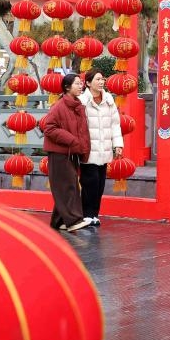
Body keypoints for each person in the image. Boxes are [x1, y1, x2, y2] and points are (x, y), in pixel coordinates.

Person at [42, 73, 93, 232]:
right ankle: (73, 221)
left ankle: (59, 222)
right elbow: (49, 128)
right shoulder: (59, 106)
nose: (81, 86)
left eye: (81, 84)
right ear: (67, 87)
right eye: (77, 84)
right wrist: (71, 140)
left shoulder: (77, 105)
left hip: (71, 152)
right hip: (59, 152)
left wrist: (82, 148)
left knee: (66, 185)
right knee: (69, 185)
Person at [79, 69, 124, 226]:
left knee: (100, 184)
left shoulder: (109, 100)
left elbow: (115, 124)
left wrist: (118, 144)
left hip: (104, 148)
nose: (101, 82)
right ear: (88, 83)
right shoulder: (81, 100)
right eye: (97, 79)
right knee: (89, 182)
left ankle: (94, 214)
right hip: (88, 149)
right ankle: (86, 214)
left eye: (102, 79)